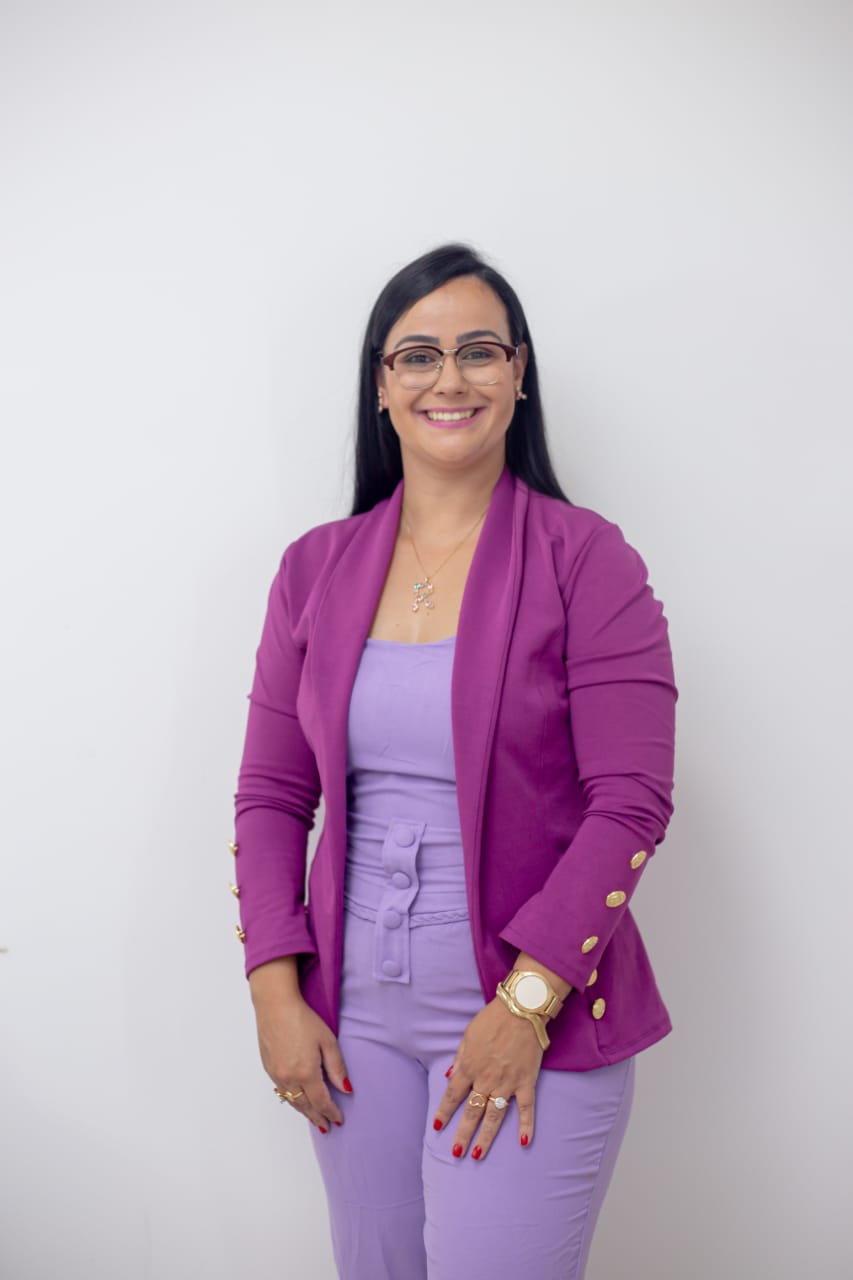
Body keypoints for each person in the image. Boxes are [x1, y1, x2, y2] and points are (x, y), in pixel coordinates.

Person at [231, 243, 677, 1279]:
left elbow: (630, 801)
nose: (450, 378)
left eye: (479, 351)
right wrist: (274, 995)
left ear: (518, 375)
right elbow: (271, 793)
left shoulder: (586, 559)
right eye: (417, 355)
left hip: (529, 1011)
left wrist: (525, 1005)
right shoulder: (312, 568)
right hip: (350, 1024)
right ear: (381, 386)